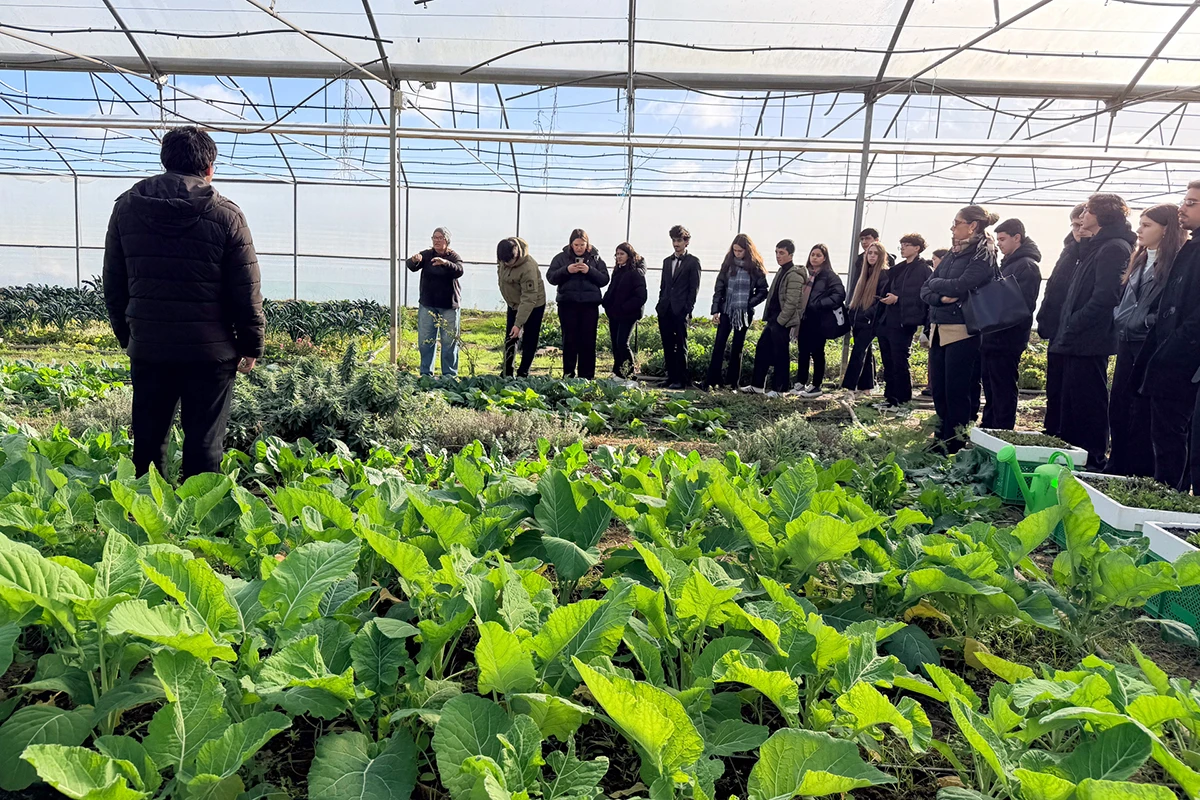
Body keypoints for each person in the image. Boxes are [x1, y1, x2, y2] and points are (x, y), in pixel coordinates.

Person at [103, 126, 264, 480]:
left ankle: (143, 519)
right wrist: (251, 344)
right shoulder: (227, 215)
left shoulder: (127, 207)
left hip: (150, 347)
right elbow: (246, 287)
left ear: (165, 161)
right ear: (209, 167)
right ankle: (198, 526)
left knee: (147, 440)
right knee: (205, 444)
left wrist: (129, 336)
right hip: (211, 353)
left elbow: (114, 282)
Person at [1049, 193, 1136, 471]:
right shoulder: (1096, 246)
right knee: (1072, 401)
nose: (1082, 216)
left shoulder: (1113, 248)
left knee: (1089, 402)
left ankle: (1092, 459)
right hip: (1078, 338)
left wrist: (1074, 322)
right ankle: (1074, 456)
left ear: (1101, 214)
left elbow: (1105, 297)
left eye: (1087, 210)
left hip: (1090, 339)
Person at [1108, 205, 1183, 477]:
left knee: (1141, 411)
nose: (1139, 229)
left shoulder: (1175, 263)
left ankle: (1138, 471)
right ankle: (1118, 464)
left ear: (1166, 229)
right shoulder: (1139, 258)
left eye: (1147, 225)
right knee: (1118, 405)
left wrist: (1147, 322)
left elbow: (1169, 307)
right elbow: (1127, 301)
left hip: (1148, 344)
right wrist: (1122, 317)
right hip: (1127, 340)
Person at [921, 205, 1001, 453]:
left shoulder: (983, 254)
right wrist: (939, 295)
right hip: (939, 327)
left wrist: (938, 285)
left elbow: (963, 284)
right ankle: (941, 435)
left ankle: (954, 440)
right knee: (940, 389)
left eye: (956, 223)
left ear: (973, 226)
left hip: (962, 330)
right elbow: (926, 289)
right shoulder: (953, 254)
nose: (952, 228)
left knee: (957, 389)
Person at [1138, 181, 1200, 491]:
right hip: (1172, 352)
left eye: (1191, 203)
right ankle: (1168, 493)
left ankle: (1173, 498)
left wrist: (1173, 347)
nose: (1182, 207)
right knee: (1167, 430)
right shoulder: (1192, 247)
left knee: (1174, 431)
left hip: (1184, 357)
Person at [979, 219, 1042, 430]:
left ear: (1018, 238)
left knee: (1003, 386)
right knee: (991, 386)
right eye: (998, 240)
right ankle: (989, 425)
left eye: (1003, 239)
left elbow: (1019, 305)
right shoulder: (1009, 263)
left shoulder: (1026, 266)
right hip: (993, 335)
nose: (999, 244)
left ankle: (1002, 429)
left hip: (1007, 338)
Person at [1037, 204, 1089, 438]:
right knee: (1055, 387)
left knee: (1075, 392)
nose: (1078, 229)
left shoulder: (1094, 252)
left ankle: (1067, 435)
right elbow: (1056, 287)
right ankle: (1052, 430)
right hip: (1059, 327)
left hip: (1076, 331)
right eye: (1074, 225)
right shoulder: (1070, 250)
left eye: (1082, 224)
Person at [705, 233, 768, 390]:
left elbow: (763, 290)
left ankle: (732, 383)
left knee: (737, 347)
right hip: (726, 309)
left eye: (740, 251)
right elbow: (719, 287)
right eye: (735, 250)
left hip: (743, 313)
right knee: (719, 344)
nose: (737, 253)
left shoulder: (755, 267)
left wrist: (748, 304)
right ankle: (712, 380)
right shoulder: (728, 263)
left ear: (747, 250)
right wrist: (715, 310)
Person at [876, 233, 932, 407]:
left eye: (907, 244)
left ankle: (903, 399)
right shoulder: (900, 268)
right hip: (888, 317)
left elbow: (922, 295)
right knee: (888, 359)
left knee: (899, 359)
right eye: (901, 244)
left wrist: (898, 299)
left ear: (917, 248)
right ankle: (890, 397)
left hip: (904, 320)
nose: (903, 248)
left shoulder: (923, 269)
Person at [547, 228, 610, 379]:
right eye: (576, 245)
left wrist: (589, 271)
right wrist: (567, 270)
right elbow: (551, 277)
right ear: (571, 245)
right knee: (569, 341)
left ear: (587, 244)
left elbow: (604, 279)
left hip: (589, 306)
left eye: (582, 245)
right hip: (567, 305)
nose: (579, 248)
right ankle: (568, 374)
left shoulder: (595, 259)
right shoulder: (561, 258)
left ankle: (587, 376)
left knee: (588, 341)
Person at [750, 239, 808, 393]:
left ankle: (780, 389)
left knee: (781, 354)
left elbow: (792, 301)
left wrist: (781, 321)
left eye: (781, 253)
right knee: (762, 348)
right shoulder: (782, 270)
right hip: (773, 319)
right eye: (776, 252)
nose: (778, 256)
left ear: (790, 254)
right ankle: (757, 386)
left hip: (781, 321)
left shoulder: (794, 274)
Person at [406, 226, 464, 377]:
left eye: (440, 238)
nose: (437, 241)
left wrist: (445, 263)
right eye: (434, 238)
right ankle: (426, 374)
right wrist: (413, 260)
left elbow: (459, 270)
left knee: (449, 342)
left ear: (447, 241)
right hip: (428, 304)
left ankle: (449, 376)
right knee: (426, 341)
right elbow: (411, 266)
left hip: (449, 306)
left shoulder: (453, 256)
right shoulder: (426, 255)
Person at [794, 244, 846, 397]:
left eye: (818, 255)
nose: (814, 258)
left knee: (817, 352)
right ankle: (801, 382)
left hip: (820, 320)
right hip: (804, 318)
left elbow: (839, 295)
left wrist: (820, 304)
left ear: (825, 258)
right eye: (812, 255)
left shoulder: (830, 275)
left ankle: (816, 385)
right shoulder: (805, 274)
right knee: (802, 351)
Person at [657, 225, 701, 389]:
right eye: (674, 240)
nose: (676, 244)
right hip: (666, 309)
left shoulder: (693, 262)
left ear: (686, 241)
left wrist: (687, 309)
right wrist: (661, 304)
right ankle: (670, 376)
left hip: (680, 310)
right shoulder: (667, 261)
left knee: (680, 344)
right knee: (667, 344)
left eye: (679, 240)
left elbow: (693, 289)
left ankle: (681, 379)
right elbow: (664, 286)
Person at [841, 242, 888, 398]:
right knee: (865, 353)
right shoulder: (864, 273)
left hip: (870, 321)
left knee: (858, 351)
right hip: (858, 319)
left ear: (881, 256)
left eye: (875, 253)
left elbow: (881, 300)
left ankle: (850, 388)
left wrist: (868, 314)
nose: (872, 256)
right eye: (870, 253)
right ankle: (866, 387)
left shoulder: (883, 275)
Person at [497, 236, 546, 378]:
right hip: (513, 303)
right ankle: (507, 371)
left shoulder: (528, 268)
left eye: (510, 262)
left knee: (530, 337)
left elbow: (529, 298)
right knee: (510, 337)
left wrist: (518, 324)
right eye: (504, 262)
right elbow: (500, 272)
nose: (507, 264)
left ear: (517, 253)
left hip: (533, 304)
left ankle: (523, 372)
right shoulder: (503, 254)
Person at [601, 242, 648, 380]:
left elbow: (641, 296)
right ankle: (618, 372)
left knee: (623, 342)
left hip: (628, 314)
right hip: (615, 313)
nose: (619, 257)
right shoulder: (618, 270)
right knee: (616, 343)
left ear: (629, 255)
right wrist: (606, 303)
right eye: (617, 254)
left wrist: (625, 307)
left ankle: (629, 373)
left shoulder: (635, 272)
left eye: (622, 254)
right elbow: (612, 289)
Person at [919, 248, 949, 397]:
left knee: (941, 358)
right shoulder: (932, 277)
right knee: (933, 357)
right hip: (932, 322)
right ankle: (931, 385)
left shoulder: (947, 277)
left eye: (935, 259)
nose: (933, 262)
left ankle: (935, 386)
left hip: (946, 324)